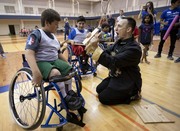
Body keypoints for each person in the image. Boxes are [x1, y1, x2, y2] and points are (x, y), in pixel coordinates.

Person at [25, 9, 82, 110]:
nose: (57, 26)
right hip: (41, 62)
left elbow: (58, 53)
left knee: (69, 69)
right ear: (47, 22)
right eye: (55, 24)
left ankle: (69, 92)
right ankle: (64, 98)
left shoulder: (54, 37)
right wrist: (36, 72)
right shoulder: (36, 34)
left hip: (54, 61)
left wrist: (68, 65)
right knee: (55, 73)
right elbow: (29, 53)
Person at [85, 17, 142, 105]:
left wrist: (96, 47)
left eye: (119, 26)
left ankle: (133, 93)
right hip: (116, 75)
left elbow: (113, 61)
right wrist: (92, 43)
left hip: (128, 79)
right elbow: (106, 53)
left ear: (128, 29)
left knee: (103, 98)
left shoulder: (134, 49)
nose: (115, 29)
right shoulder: (119, 42)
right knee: (99, 89)